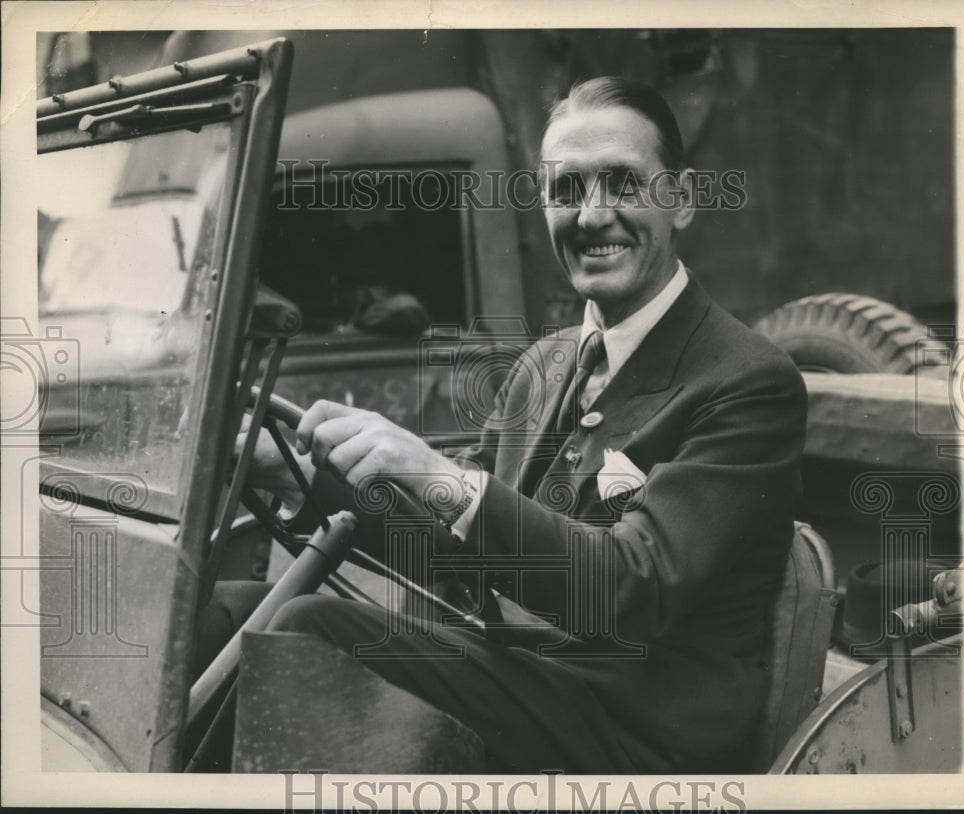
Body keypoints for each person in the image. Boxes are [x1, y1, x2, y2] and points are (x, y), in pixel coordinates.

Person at [205, 76, 807, 773]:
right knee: (229, 610)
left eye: (622, 183)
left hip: (636, 728)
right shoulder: (546, 363)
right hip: (528, 674)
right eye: (566, 190)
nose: (591, 216)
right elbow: (450, 550)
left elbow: (626, 590)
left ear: (683, 199)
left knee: (310, 629)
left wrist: (435, 471)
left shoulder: (746, 382)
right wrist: (303, 477)